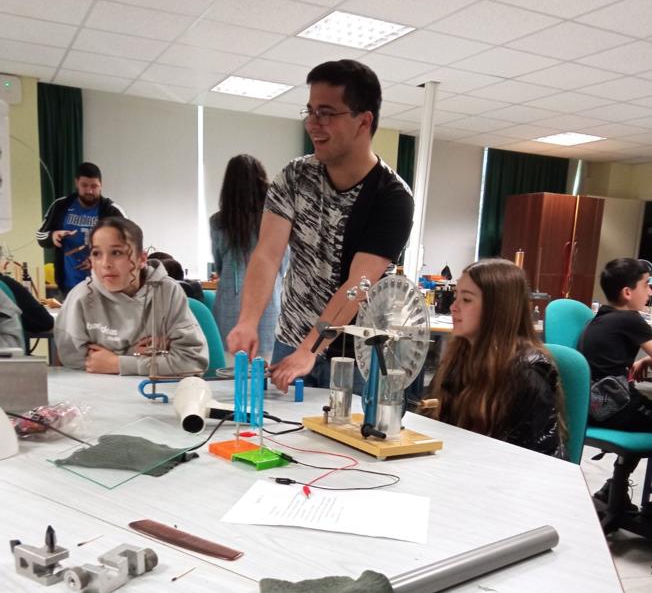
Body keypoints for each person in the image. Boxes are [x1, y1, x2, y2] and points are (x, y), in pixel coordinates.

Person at [227, 59, 414, 392]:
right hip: (290, 342)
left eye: (326, 113)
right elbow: (267, 255)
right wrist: (248, 321)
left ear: (364, 121)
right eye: (310, 111)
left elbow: (359, 283)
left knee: (345, 426)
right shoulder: (294, 177)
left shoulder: (392, 197)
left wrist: (310, 350)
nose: (313, 124)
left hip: (355, 355)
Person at [423, 258, 565, 457]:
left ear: (497, 309)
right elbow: (434, 424)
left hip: (502, 471)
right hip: (459, 462)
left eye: (466, 299)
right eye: (456, 297)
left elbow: (529, 460)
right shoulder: (459, 355)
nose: (453, 307)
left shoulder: (528, 374)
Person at [54, 217, 208, 376]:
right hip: (96, 389)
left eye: (116, 253)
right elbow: (76, 363)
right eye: (97, 253)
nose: (105, 263)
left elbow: (193, 362)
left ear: (142, 259)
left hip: (155, 389)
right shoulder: (81, 298)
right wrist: (141, 356)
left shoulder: (167, 292)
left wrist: (118, 363)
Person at [578, 257, 652, 503]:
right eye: (646, 285)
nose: (650, 291)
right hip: (614, 408)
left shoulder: (600, 317)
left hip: (592, 408)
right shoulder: (630, 319)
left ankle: (614, 489)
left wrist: (645, 360)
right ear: (628, 292)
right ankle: (618, 491)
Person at [210, 154, 287, 361]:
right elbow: (283, 264)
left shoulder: (218, 222)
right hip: (269, 299)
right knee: (266, 366)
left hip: (228, 302)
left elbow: (218, 264)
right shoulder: (275, 221)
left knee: (230, 367)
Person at [36, 162, 125, 296]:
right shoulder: (60, 206)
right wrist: (52, 236)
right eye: (84, 185)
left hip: (104, 288)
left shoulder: (112, 211)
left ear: (101, 185)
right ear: (76, 183)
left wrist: (99, 259)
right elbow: (40, 236)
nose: (89, 191)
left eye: (94, 186)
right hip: (68, 287)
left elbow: (129, 245)